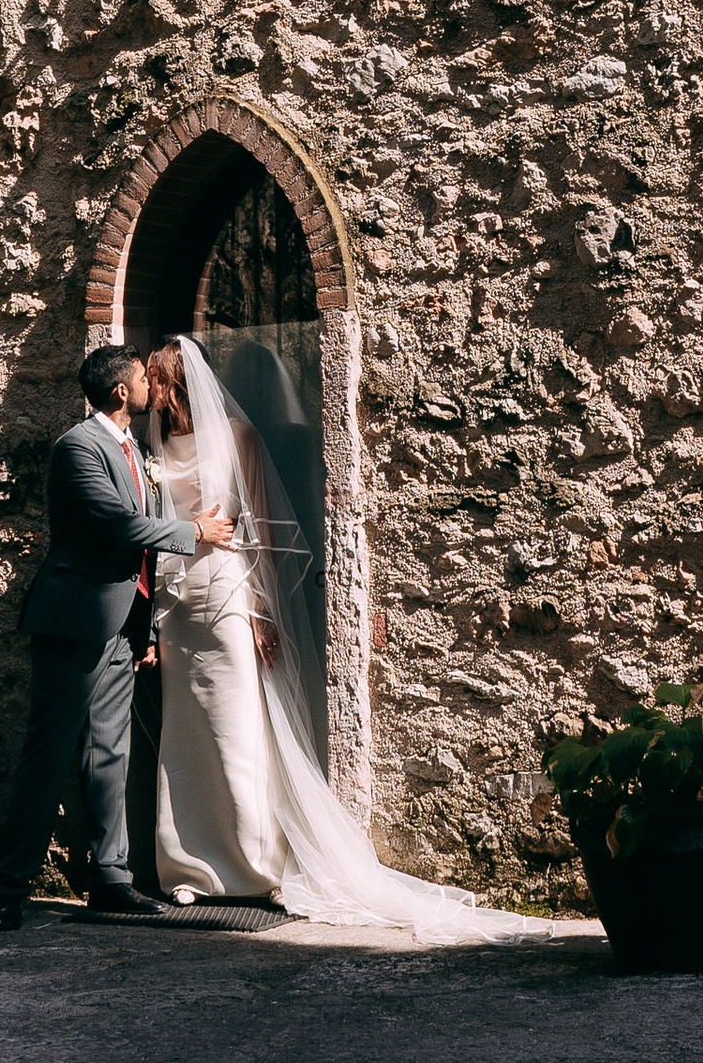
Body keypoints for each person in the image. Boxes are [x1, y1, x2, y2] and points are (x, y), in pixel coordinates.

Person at [141, 331, 527, 940]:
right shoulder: (154, 442)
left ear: (175, 381)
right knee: (185, 737)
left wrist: (262, 612)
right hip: (177, 603)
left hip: (227, 595)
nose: (147, 392)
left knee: (238, 732)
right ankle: (190, 866)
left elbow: (262, 535)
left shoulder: (237, 439)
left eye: (155, 380)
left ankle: (255, 864)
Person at [0, 343, 235, 932]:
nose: (152, 385)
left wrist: (144, 627)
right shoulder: (78, 447)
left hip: (124, 624)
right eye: (143, 379)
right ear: (121, 391)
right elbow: (115, 524)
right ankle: (9, 889)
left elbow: (138, 558)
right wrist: (193, 529)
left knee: (110, 753)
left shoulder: (137, 451)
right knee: (49, 754)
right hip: (74, 621)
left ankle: (111, 881)